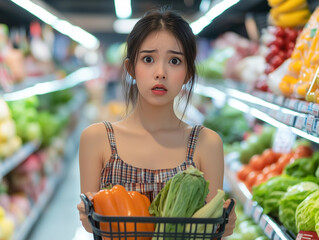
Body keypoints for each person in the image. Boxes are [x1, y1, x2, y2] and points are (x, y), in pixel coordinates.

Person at [77, 7, 236, 237]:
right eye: (148, 59)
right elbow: (91, 224)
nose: (160, 72)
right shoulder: (96, 139)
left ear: (187, 74)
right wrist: (86, 215)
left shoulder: (207, 143)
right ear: (131, 68)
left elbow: (208, 231)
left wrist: (225, 224)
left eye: (174, 60)